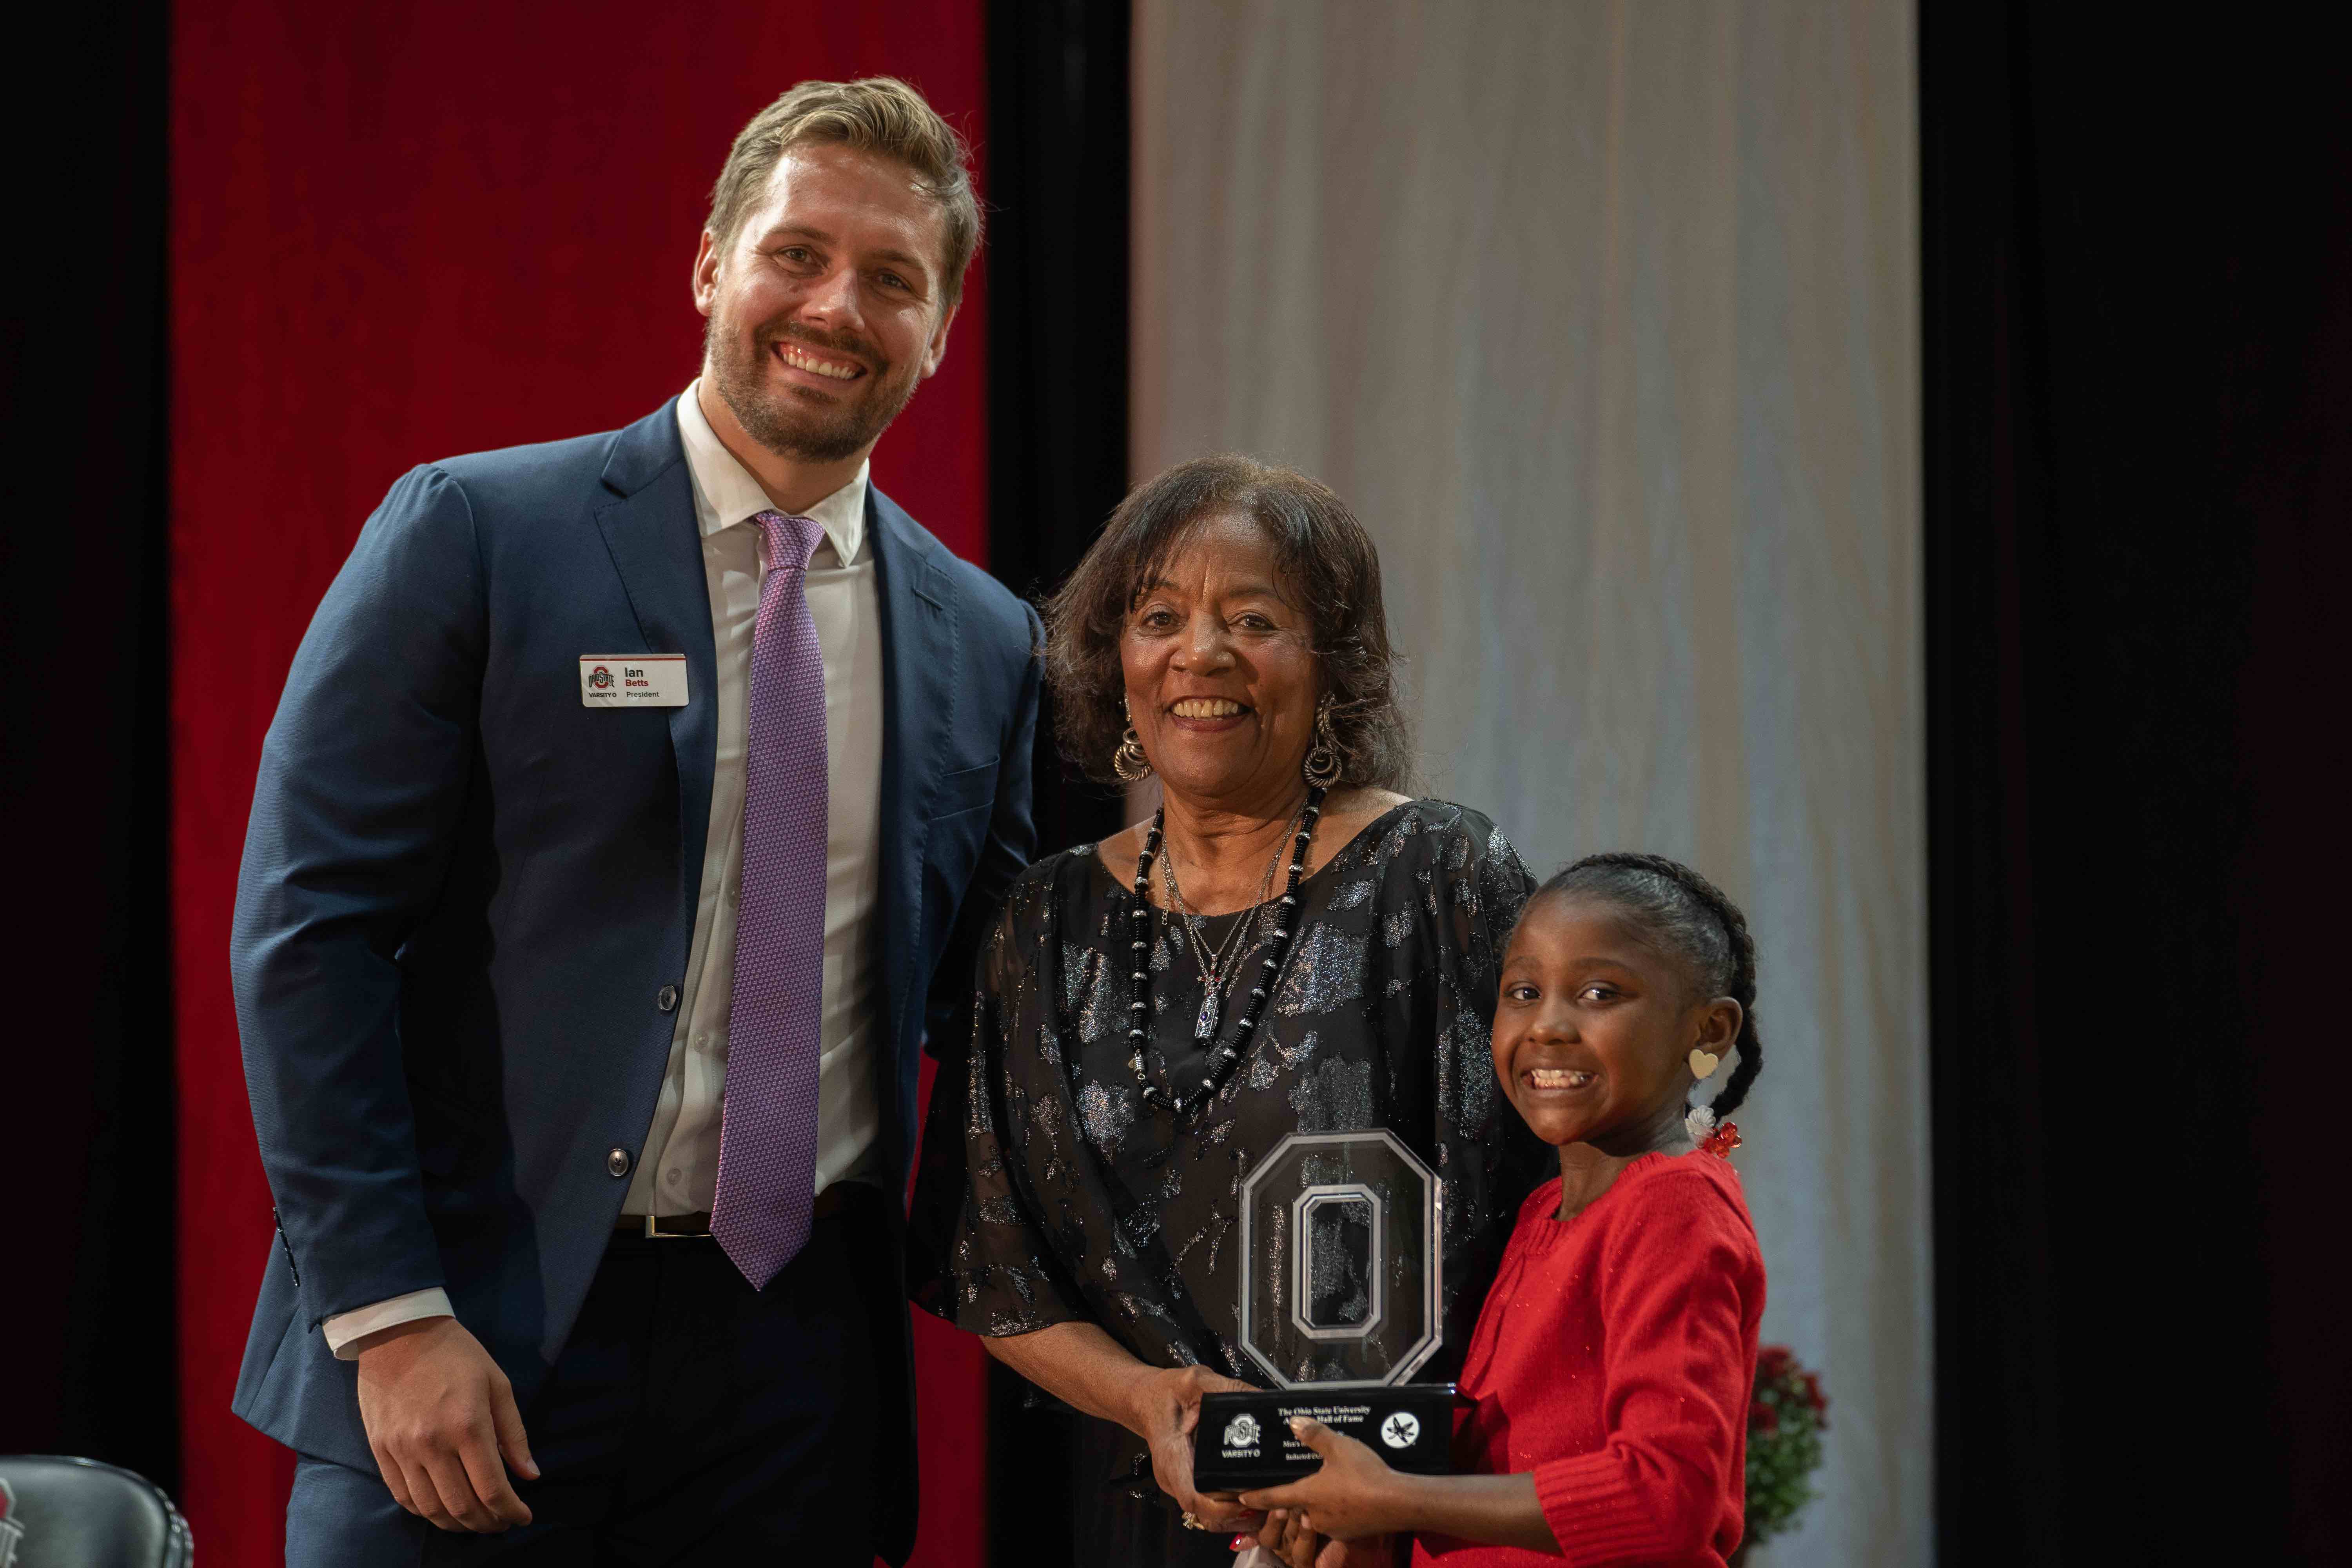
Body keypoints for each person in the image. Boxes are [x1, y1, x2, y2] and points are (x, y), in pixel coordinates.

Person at [230, 77, 1041, 1565]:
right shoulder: (477, 534)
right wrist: (393, 1319)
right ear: (711, 265)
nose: (834, 305)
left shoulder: (985, 640)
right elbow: (309, 932)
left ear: (940, 333)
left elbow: (996, 1009)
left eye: (892, 279)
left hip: (790, 1383)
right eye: (796, 253)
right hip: (471, 1340)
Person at [908, 454, 1548, 1567]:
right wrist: (1154, 1404)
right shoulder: (1046, 922)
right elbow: (989, 1260)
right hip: (1139, 1513)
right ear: (1118, 660)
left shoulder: (1442, 874)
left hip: (1408, 1520)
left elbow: (1542, 1221)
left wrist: (1388, 1494)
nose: (1200, 653)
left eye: (1253, 620)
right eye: (1160, 617)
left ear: (1329, 663)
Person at [1239, 853, 1769, 1568]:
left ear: (1708, 1032)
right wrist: (1347, 1515)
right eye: (1522, 991)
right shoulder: (1546, 1209)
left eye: (1600, 993)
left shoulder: (1673, 1206)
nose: (1547, 1025)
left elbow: (1666, 1495)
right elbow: (1501, 1478)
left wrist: (1393, 1500)